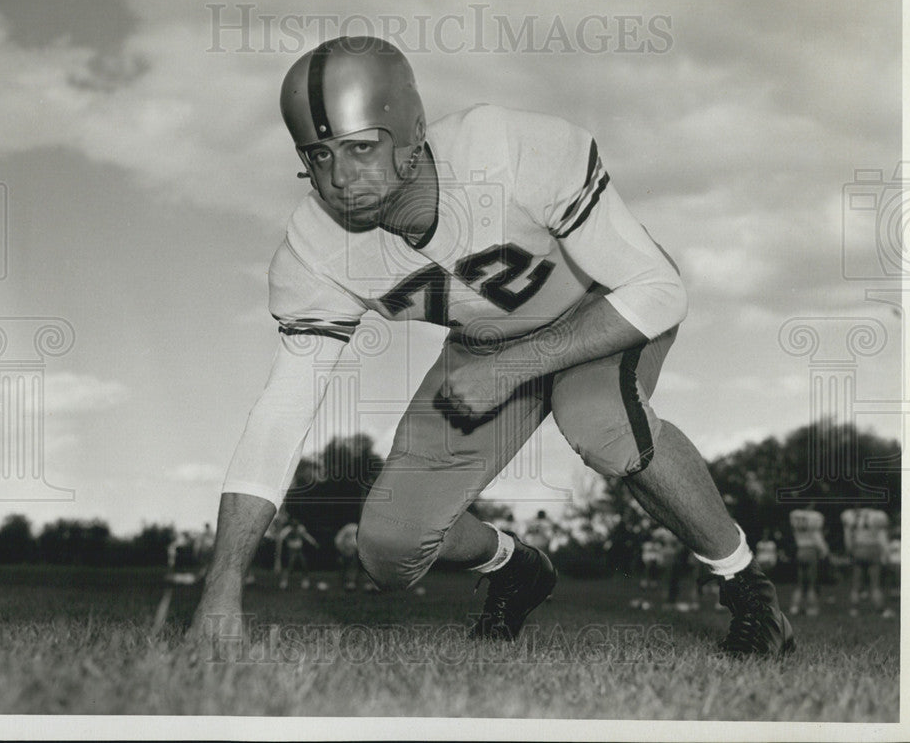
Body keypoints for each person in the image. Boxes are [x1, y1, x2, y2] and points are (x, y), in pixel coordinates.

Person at [190, 36, 794, 656]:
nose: (340, 178)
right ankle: (516, 569)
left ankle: (748, 589)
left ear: (414, 131)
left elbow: (660, 290)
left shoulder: (506, 151)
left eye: (361, 147)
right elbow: (280, 417)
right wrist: (222, 584)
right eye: (318, 156)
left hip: (602, 305)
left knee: (600, 423)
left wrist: (516, 366)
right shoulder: (313, 251)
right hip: (487, 342)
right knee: (389, 548)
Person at [841, 506, 890, 617]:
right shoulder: (878, 515)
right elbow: (881, 537)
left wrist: (850, 550)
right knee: (875, 584)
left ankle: (854, 609)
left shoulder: (851, 514)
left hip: (858, 549)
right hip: (873, 548)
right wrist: (886, 552)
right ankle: (880, 609)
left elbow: (848, 537)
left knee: (856, 583)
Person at [788, 505, 829, 616]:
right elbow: (817, 537)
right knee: (811, 584)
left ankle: (794, 607)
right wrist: (824, 550)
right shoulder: (815, 517)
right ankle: (812, 609)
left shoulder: (795, 515)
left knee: (800, 584)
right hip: (810, 550)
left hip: (800, 550)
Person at [277, 517, 319, 590]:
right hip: (291, 549)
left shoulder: (301, 528)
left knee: (304, 564)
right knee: (289, 565)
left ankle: (305, 581)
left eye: (296, 523)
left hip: (299, 549)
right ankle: (284, 581)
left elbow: (306, 536)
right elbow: (280, 539)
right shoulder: (287, 530)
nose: (295, 524)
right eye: (294, 523)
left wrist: (314, 542)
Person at [334, 521, 361, 591]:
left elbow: (338, 539)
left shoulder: (347, 528)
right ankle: (350, 582)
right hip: (351, 548)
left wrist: (339, 548)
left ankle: (348, 582)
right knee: (352, 566)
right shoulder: (355, 527)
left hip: (348, 548)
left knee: (348, 566)